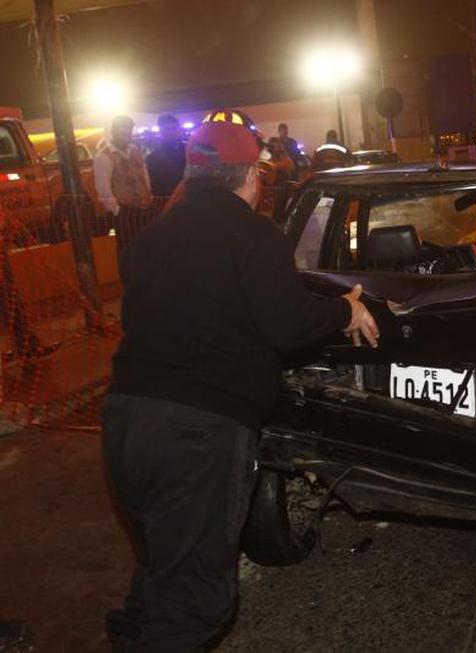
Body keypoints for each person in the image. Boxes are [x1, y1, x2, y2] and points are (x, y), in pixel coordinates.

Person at [101, 120, 380, 651]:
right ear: (250, 176)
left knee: (162, 569)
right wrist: (344, 310)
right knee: (195, 602)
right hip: (198, 434)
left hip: (125, 422)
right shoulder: (252, 234)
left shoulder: (150, 238)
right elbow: (287, 324)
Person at [94, 115, 153, 256]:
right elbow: (103, 188)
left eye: (129, 130)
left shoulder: (135, 150)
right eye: (123, 130)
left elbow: (143, 174)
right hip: (125, 212)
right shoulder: (104, 156)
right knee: (128, 251)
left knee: (147, 249)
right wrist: (117, 211)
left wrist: (149, 193)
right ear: (113, 131)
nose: (127, 134)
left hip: (144, 208)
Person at [146, 113, 186, 198]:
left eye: (174, 128)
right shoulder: (153, 157)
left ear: (179, 130)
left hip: (188, 198)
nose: (171, 132)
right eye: (167, 129)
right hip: (165, 199)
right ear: (161, 132)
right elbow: (154, 184)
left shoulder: (189, 151)